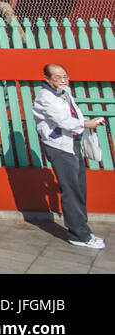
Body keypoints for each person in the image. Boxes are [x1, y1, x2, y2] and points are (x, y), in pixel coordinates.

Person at [33, 64, 106, 250]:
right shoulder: (45, 97)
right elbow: (62, 120)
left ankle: (83, 230)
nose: (63, 80)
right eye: (57, 77)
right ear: (47, 79)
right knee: (72, 190)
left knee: (79, 188)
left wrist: (84, 124)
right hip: (59, 146)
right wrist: (87, 124)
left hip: (72, 144)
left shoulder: (65, 93)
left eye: (65, 76)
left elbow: (74, 114)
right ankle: (78, 234)